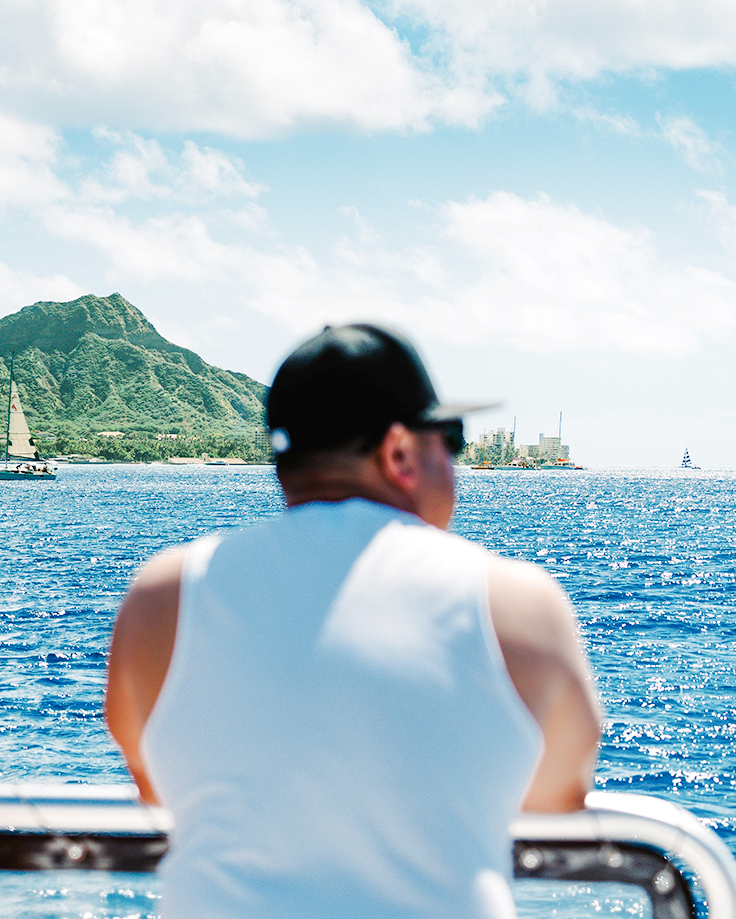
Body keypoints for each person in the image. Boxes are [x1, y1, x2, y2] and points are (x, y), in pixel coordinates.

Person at [105, 324, 602, 918]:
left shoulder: (161, 597)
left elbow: (156, 781)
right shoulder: (516, 601)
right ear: (399, 453)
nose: (456, 459)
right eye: (451, 437)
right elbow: (558, 793)